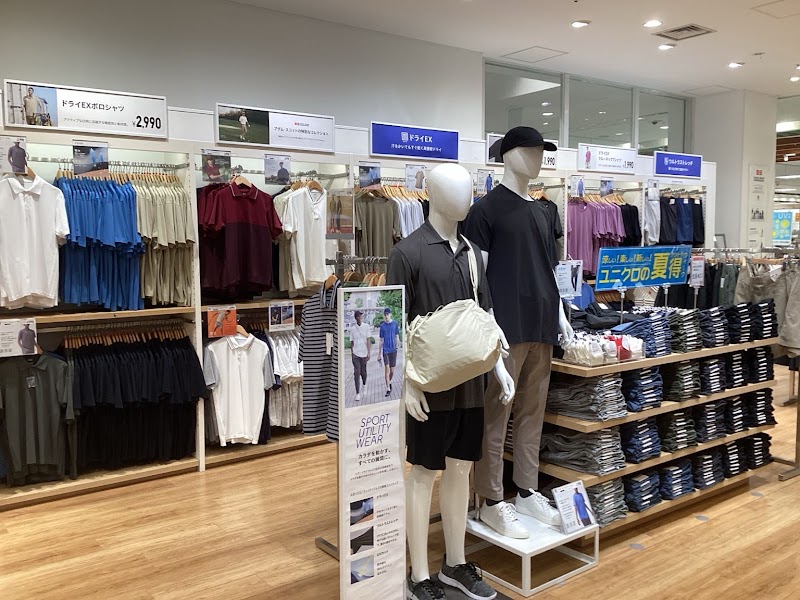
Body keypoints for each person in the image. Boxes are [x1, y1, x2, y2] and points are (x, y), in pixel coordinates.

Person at [350, 311, 371, 402]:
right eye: (358, 316)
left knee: (363, 372)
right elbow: (351, 342)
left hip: (364, 353)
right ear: (356, 318)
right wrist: (352, 353)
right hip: (355, 354)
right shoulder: (352, 329)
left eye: (361, 316)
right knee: (356, 373)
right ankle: (357, 393)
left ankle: (364, 385)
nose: (360, 317)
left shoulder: (366, 327)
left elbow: (368, 340)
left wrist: (369, 352)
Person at [378, 308, 399, 397]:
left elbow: (397, 336)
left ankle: (389, 382)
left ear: (390, 314)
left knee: (392, 371)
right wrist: (379, 354)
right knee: (387, 369)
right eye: (385, 314)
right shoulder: (382, 326)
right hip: (385, 350)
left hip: (393, 350)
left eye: (387, 314)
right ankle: (388, 388)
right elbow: (381, 340)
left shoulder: (395, 324)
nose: (386, 316)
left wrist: (397, 346)